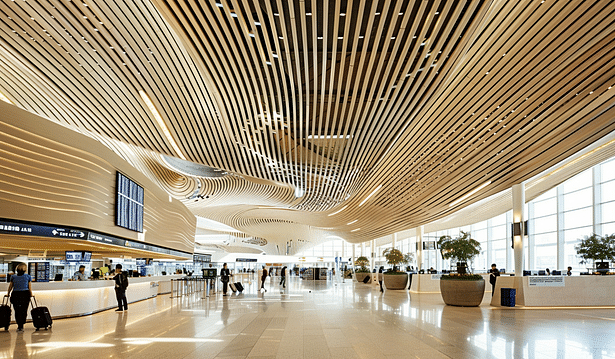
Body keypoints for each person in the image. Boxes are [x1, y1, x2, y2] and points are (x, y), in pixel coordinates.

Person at [6, 263, 32, 332]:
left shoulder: (13, 277)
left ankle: (19, 325)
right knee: (24, 310)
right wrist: (31, 294)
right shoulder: (28, 276)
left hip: (15, 294)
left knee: (17, 310)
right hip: (25, 294)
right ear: (25, 269)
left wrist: (8, 294)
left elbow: (10, 286)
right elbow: (29, 287)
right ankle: (22, 325)